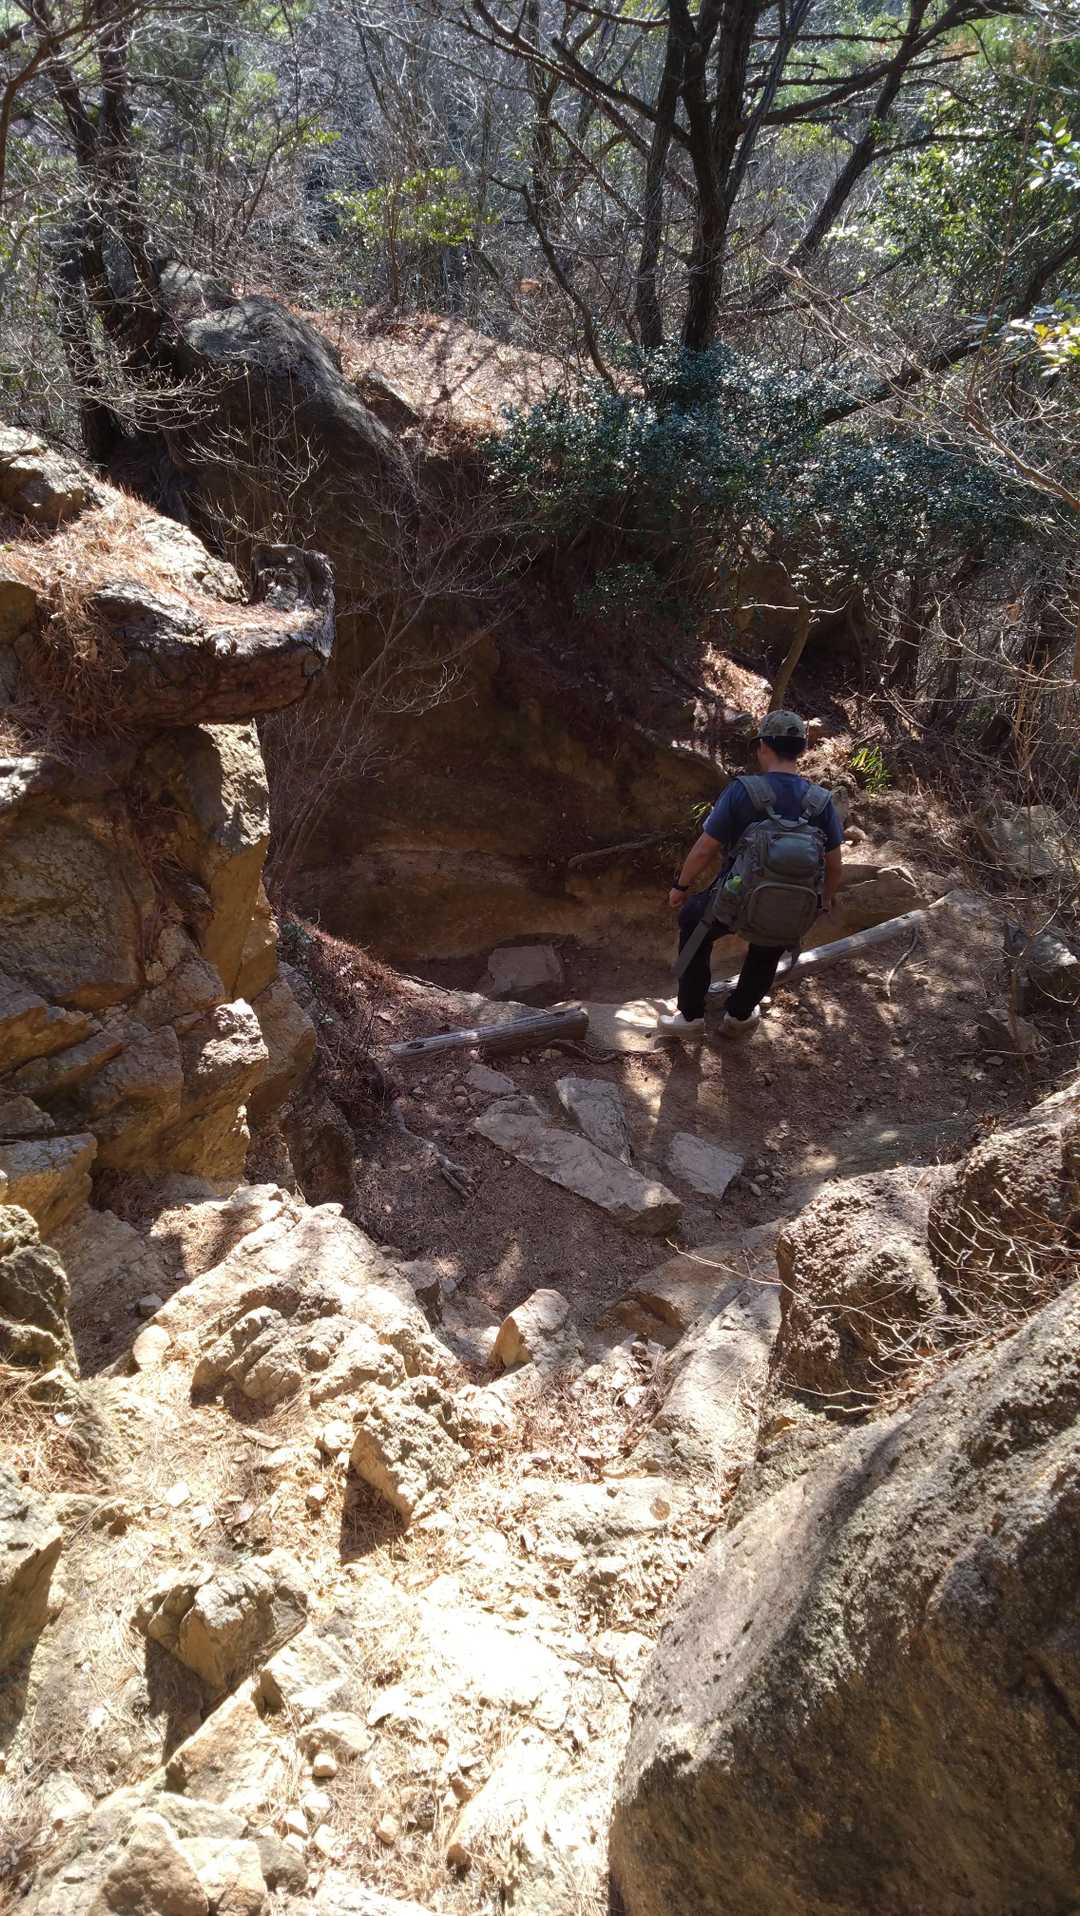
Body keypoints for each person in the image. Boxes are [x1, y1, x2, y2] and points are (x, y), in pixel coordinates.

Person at [659, 710, 844, 1041]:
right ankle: (740, 1016)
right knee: (772, 938)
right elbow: (834, 866)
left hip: (735, 896)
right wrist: (824, 901)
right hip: (789, 903)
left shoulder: (743, 790)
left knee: (694, 921)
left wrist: (680, 886)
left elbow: (705, 848)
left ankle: (690, 1016)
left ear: (763, 747)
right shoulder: (820, 802)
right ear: (801, 750)